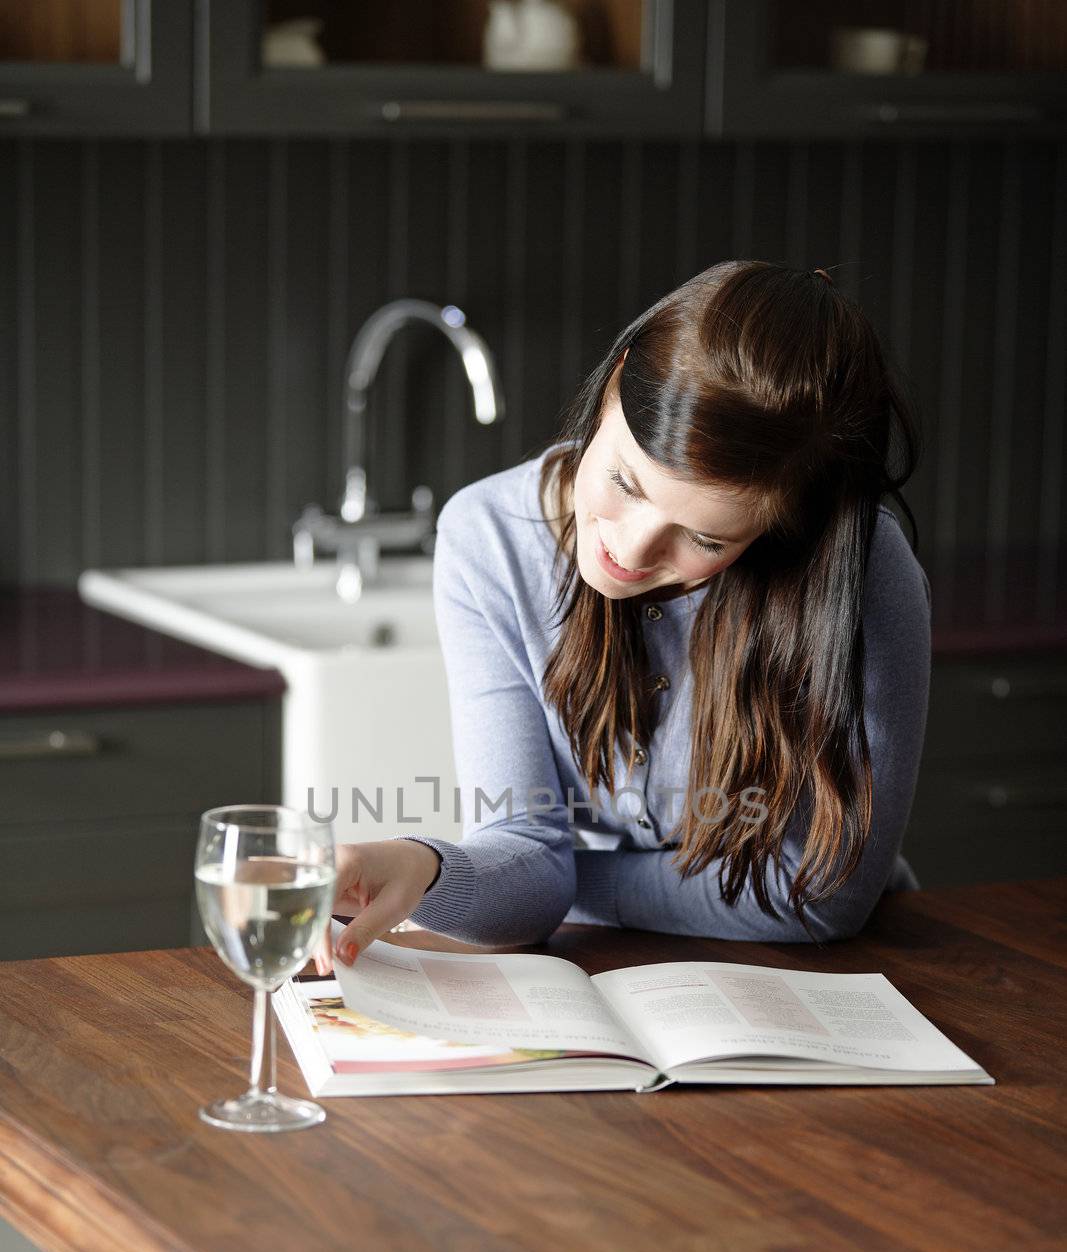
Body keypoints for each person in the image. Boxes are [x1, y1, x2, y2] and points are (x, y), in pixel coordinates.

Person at [317, 259, 931, 971]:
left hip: (837, 973)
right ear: (610, 391)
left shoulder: (861, 571)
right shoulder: (487, 538)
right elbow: (520, 849)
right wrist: (421, 866)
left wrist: (559, 881)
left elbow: (819, 895)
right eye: (622, 481)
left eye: (705, 539)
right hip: (616, 970)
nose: (630, 550)